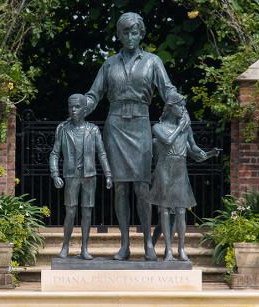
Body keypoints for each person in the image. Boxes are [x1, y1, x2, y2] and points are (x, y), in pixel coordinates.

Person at [85, 12, 186, 261]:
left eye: (134, 32)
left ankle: (147, 245)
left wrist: (181, 109)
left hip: (141, 124)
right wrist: (79, 109)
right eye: (125, 33)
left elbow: (168, 90)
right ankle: (124, 245)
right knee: (120, 188)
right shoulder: (109, 64)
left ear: (141, 34)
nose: (130, 37)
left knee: (142, 187)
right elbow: (94, 95)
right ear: (119, 35)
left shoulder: (153, 62)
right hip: (116, 126)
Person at [150, 102, 220, 261]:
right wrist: (180, 126)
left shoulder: (186, 128)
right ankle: (168, 251)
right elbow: (167, 141)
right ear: (170, 108)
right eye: (180, 106)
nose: (183, 109)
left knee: (181, 210)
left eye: (184, 107)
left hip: (180, 168)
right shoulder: (158, 127)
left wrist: (207, 154)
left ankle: (181, 248)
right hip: (164, 168)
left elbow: (193, 148)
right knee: (165, 211)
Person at [50, 94, 113, 260]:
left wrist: (108, 174)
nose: (73, 110)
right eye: (71, 107)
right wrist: (55, 174)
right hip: (71, 176)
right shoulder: (63, 129)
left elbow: (102, 153)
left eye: (77, 107)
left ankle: (84, 248)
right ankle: (65, 246)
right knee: (70, 212)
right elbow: (55, 154)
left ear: (85, 110)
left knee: (86, 213)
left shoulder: (93, 130)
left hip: (89, 176)